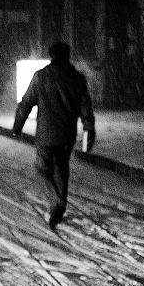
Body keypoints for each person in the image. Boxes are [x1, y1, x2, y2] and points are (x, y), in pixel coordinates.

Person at [12, 41, 96, 230]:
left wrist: (17, 126)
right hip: (67, 133)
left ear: (52, 55)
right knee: (61, 167)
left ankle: (56, 201)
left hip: (46, 133)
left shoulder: (41, 76)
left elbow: (26, 103)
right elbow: (85, 106)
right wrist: (89, 128)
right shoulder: (77, 78)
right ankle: (60, 202)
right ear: (67, 56)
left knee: (42, 168)